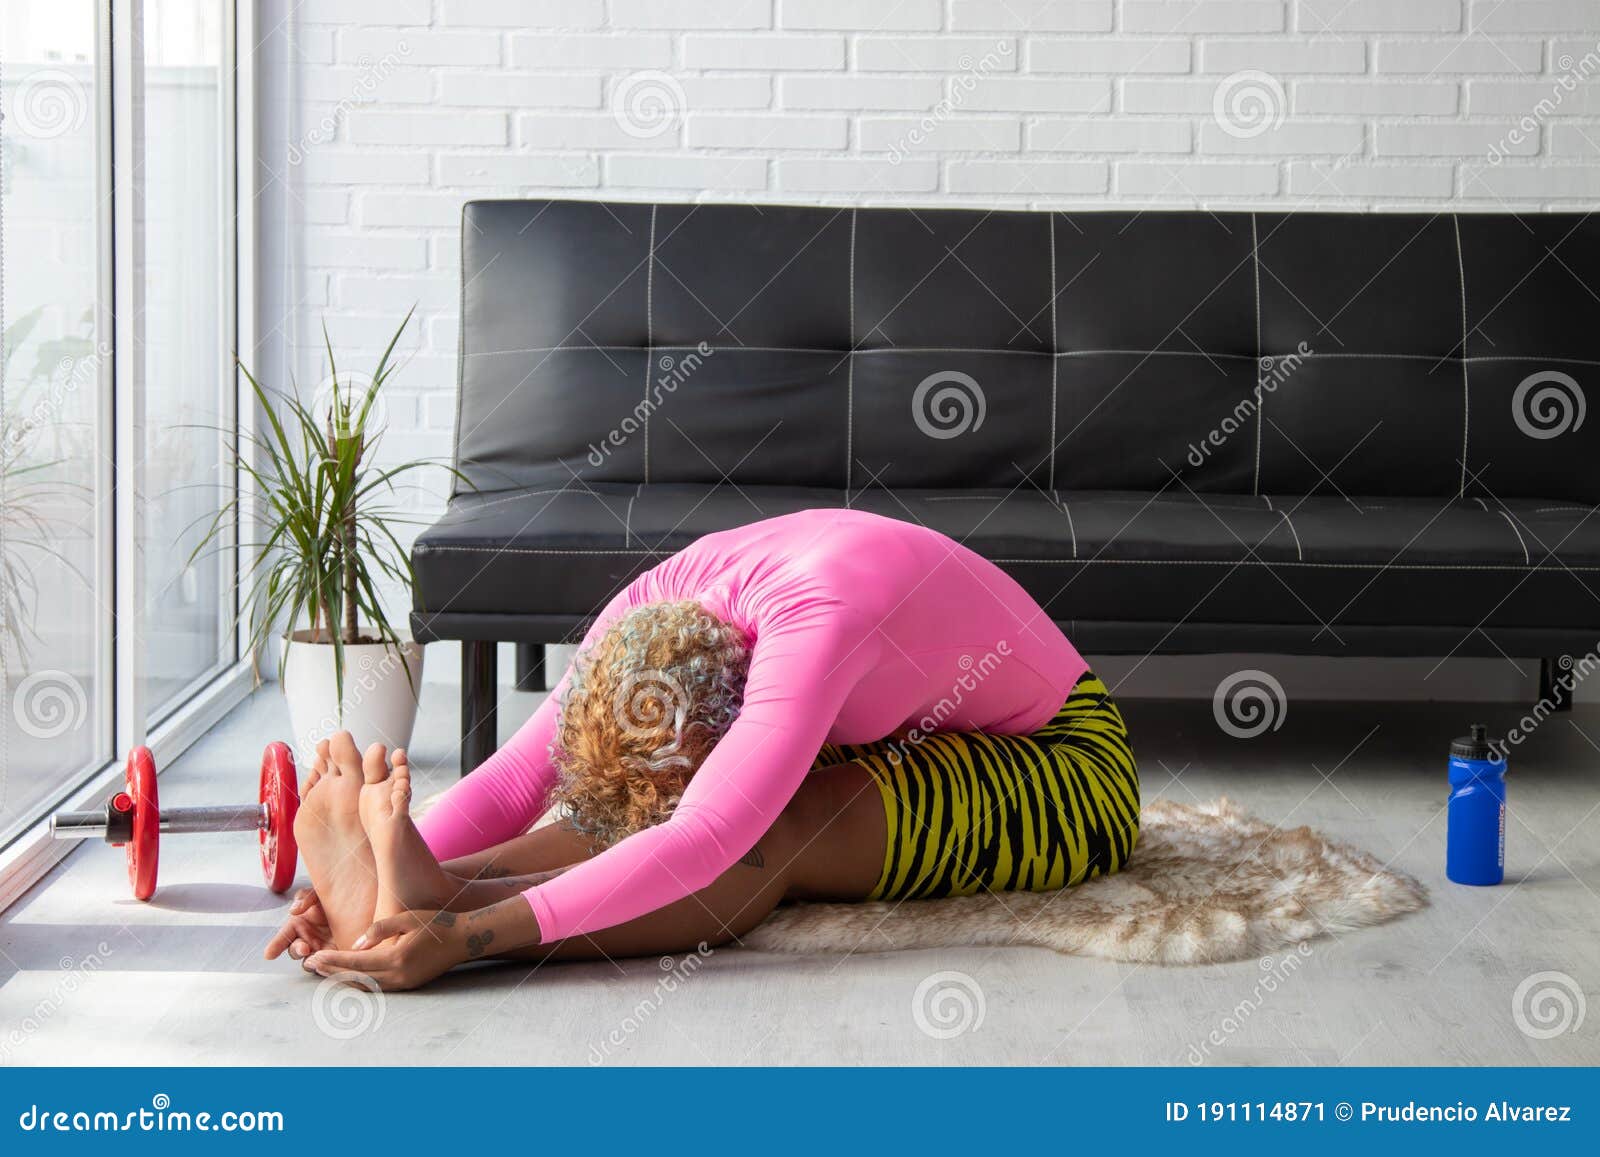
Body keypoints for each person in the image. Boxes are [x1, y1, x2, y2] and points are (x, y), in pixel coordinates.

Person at [267, 508, 1140, 990]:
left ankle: (449, 904)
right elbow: (513, 779)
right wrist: (389, 868)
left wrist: (473, 936)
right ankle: (425, 885)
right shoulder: (647, 611)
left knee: (777, 826)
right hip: (908, 716)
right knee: (618, 798)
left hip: (1063, 761)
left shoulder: (814, 632)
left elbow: (708, 833)